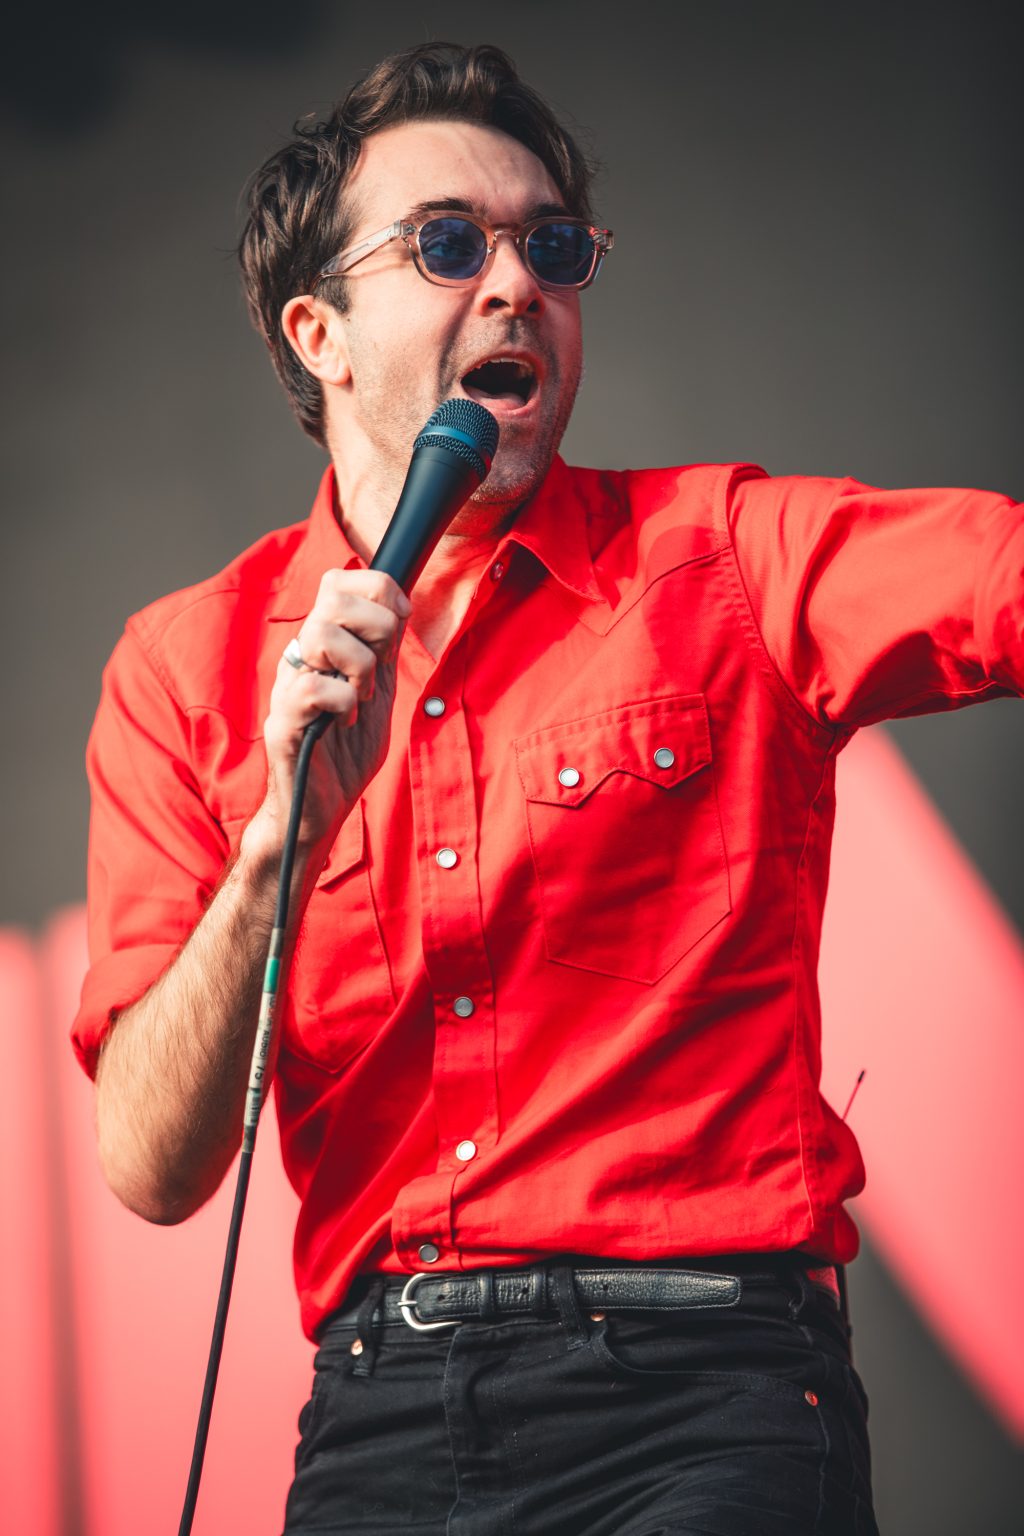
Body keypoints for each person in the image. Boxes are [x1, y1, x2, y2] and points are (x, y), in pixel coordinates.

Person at [72, 40, 1022, 1536]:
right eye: (450, 244)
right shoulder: (185, 667)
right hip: (380, 1408)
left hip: (705, 1386)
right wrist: (278, 847)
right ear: (317, 330)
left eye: (553, 248)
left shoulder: (723, 556)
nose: (518, 284)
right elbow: (148, 1163)